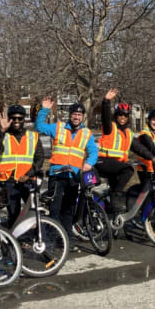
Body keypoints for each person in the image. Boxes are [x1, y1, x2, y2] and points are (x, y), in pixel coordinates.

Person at [35, 98, 98, 236]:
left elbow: (93, 151)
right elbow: (39, 127)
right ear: (70, 115)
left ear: (83, 117)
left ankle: (67, 237)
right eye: (74, 114)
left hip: (73, 177)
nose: (76, 117)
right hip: (57, 175)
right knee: (55, 208)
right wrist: (44, 110)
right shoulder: (58, 127)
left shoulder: (86, 133)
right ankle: (52, 238)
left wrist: (88, 163)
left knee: (69, 208)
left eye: (79, 115)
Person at [96, 89, 155, 212]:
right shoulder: (110, 127)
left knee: (114, 202)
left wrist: (153, 158)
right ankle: (116, 195)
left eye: (125, 115)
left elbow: (139, 148)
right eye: (120, 115)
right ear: (116, 116)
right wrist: (106, 102)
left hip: (116, 166)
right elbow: (105, 117)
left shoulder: (128, 132)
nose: (123, 117)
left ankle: (109, 217)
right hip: (103, 162)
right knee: (128, 170)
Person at [0, 104, 45, 228]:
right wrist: (2, 131)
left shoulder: (33, 136)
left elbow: (39, 159)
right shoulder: (4, 135)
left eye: (20, 118)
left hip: (28, 181)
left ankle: (35, 239)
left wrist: (28, 174)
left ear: (24, 119)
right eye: (13, 118)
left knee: (32, 214)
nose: (16, 121)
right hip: (9, 181)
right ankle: (15, 243)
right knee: (13, 215)